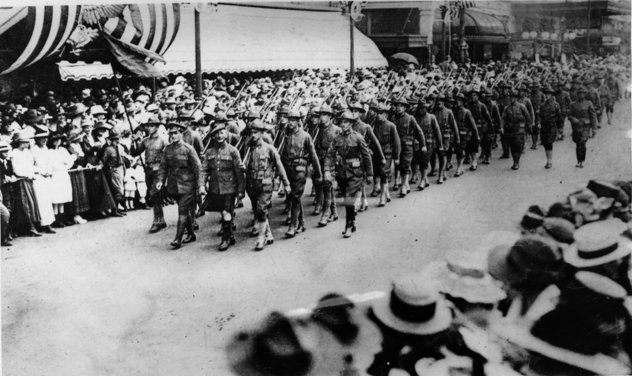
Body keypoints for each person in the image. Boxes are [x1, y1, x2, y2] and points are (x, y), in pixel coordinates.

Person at [324, 110, 372, 238]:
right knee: (346, 198)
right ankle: (352, 221)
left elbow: (366, 156)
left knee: (349, 198)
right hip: (342, 173)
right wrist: (327, 170)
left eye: (346, 122)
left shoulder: (358, 137)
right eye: (341, 122)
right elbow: (330, 155)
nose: (343, 124)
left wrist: (370, 173)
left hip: (355, 173)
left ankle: (348, 225)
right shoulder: (337, 138)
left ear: (351, 123)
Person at [244, 119, 290, 251]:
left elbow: (279, 167)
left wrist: (286, 183)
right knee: (258, 209)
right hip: (252, 184)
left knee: (261, 208)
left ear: (262, 133)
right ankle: (268, 233)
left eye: (256, 132)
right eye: (251, 132)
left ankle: (260, 238)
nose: (253, 135)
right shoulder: (248, 149)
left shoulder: (269, 149)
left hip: (265, 184)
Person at [199, 124, 245, 251]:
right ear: (213, 136)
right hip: (215, 189)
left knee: (226, 212)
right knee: (224, 212)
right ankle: (229, 235)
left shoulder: (233, 151)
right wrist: (202, 186)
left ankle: (225, 240)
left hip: (230, 188)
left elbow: (239, 172)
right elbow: (204, 170)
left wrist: (241, 191)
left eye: (221, 133)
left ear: (226, 135)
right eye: (216, 134)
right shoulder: (209, 152)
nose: (219, 136)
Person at [156, 122, 202, 249]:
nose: (173, 136)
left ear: (181, 134)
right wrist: (160, 180)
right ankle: (191, 234)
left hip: (188, 186)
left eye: (176, 133)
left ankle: (178, 239)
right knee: (185, 210)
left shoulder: (188, 149)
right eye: (171, 133)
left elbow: (198, 168)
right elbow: (163, 167)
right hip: (173, 187)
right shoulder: (167, 149)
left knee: (182, 211)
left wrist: (200, 185)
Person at [280, 110, 321, 238]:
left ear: (298, 121)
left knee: (295, 196)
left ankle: (293, 225)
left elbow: (313, 156)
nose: (290, 123)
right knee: (292, 196)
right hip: (288, 169)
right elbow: (280, 154)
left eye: (293, 120)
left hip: (300, 169)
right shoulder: (284, 135)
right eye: (289, 120)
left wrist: (318, 173)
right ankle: (301, 222)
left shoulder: (305, 136)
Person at [131, 116, 169, 233]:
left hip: (159, 171)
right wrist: (134, 142)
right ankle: (160, 219)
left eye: (152, 126)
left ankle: (157, 221)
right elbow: (134, 153)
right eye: (148, 126)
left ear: (157, 127)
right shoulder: (145, 141)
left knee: (155, 194)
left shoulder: (163, 141)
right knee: (154, 196)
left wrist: (165, 172)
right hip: (148, 170)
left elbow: (168, 156)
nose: (149, 128)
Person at [349, 102, 384, 212]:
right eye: (352, 111)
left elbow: (375, 142)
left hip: (362, 157)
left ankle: (359, 201)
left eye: (356, 111)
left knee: (360, 179)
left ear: (360, 113)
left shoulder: (365, 127)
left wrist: (382, 156)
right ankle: (363, 200)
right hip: (351, 157)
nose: (353, 113)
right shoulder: (348, 126)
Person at [313, 105, 341, 226]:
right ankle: (334, 212)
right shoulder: (316, 130)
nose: (322, 117)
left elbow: (341, 146)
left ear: (330, 117)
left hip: (331, 161)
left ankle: (325, 214)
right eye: (320, 115)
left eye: (324, 115)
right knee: (325, 187)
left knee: (327, 185)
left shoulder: (336, 130)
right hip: (319, 160)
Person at [391, 97, 426, 196]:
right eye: (397, 105)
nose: (398, 108)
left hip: (407, 146)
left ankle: (403, 186)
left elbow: (419, 132)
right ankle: (405, 184)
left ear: (405, 108)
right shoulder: (393, 118)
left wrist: (423, 145)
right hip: (397, 146)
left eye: (401, 106)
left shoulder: (410, 118)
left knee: (405, 165)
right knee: (398, 165)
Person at [371, 103, 400, 206]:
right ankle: (386, 192)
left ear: (386, 115)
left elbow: (396, 143)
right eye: (377, 113)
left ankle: (382, 195)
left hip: (387, 153)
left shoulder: (391, 126)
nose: (378, 115)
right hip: (375, 153)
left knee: (384, 173)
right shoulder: (373, 125)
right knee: (377, 172)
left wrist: (396, 157)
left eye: (381, 113)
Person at [48, 132, 76, 227]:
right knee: (56, 198)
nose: (57, 142)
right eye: (55, 140)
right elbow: (51, 164)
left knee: (63, 197)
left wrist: (66, 164)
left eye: (59, 140)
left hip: (63, 174)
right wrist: (59, 165)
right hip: (55, 175)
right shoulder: (49, 152)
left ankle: (62, 218)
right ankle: (56, 219)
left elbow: (69, 161)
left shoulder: (63, 150)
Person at [414, 100, 442, 190]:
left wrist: (440, 144)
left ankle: (422, 180)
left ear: (426, 108)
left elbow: (437, 131)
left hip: (429, 142)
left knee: (424, 161)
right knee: (418, 160)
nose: (421, 110)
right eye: (420, 108)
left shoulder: (431, 117)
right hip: (418, 143)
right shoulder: (415, 118)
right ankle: (425, 179)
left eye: (423, 108)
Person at [500, 90, 531, 170]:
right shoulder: (507, 108)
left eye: (513, 97)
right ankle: (514, 161)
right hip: (510, 130)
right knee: (512, 146)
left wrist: (528, 127)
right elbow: (503, 118)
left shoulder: (522, 106)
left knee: (517, 145)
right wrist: (502, 127)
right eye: (510, 97)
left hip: (519, 129)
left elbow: (527, 117)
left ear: (516, 98)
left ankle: (516, 162)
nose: (512, 99)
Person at [568, 86, 597, 168]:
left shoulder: (589, 103)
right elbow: (569, 115)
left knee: (582, 143)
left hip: (585, 127)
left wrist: (594, 128)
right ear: (577, 94)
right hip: (576, 127)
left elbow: (593, 116)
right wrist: (573, 119)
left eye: (582, 94)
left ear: (585, 94)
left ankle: (582, 161)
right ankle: (578, 160)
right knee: (577, 144)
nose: (581, 95)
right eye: (579, 93)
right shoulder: (573, 104)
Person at [101, 131, 129, 216]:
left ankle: (117, 208)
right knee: (117, 190)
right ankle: (114, 210)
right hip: (113, 170)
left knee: (120, 190)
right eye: (115, 139)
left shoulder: (120, 148)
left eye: (118, 138)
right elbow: (103, 160)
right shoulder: (108, 149)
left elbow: (124, 156)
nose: (117, 140)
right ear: (112, 140)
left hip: (120, 169)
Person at [433, 94, 458, 183]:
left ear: (444, 102)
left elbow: (454, 125)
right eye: (437, 100)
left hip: (445, 137)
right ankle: (443, 172)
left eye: (441, 100)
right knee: (438, 155)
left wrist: (457, 137)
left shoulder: (448, 112)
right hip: (435, 137)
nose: (439, 102)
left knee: (442, 154)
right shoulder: (433, 111)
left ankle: (441, 174)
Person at [453, 93, 478, 176]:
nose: (457, 102)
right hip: (458, 133)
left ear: (463, 102)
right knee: (459, 150)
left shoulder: (467, 111)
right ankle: (460, 167)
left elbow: (473, 124)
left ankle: (474, 161)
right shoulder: (454, 111)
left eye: (460, 100)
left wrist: (476, 135)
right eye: (457, 100)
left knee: (472, 148)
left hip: (468, 133)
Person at [539, 85, 563, 169]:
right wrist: (539, 123)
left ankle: (550, 161)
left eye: (548, 94)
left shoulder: (556, 105)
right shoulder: (542, 105)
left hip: (552, 126)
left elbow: (560, 118)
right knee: (545, 144)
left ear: (552, 95)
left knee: (549, 143)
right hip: (544, 127)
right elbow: (540, 116)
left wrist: (560, 129)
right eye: (546, 94)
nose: (547, 95)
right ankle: (548, 159)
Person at [466, 90, 490, 171]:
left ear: (478, 97)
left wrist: (490, 128)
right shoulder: (468, 106)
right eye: (471, 95)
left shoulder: (482, 106)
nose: (473, 97)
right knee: (472, 144)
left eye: (475, 95)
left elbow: (487, 117)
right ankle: (474, 161)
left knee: (484, 143)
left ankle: (487, 156)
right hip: (471, 128)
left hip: (481, 128)